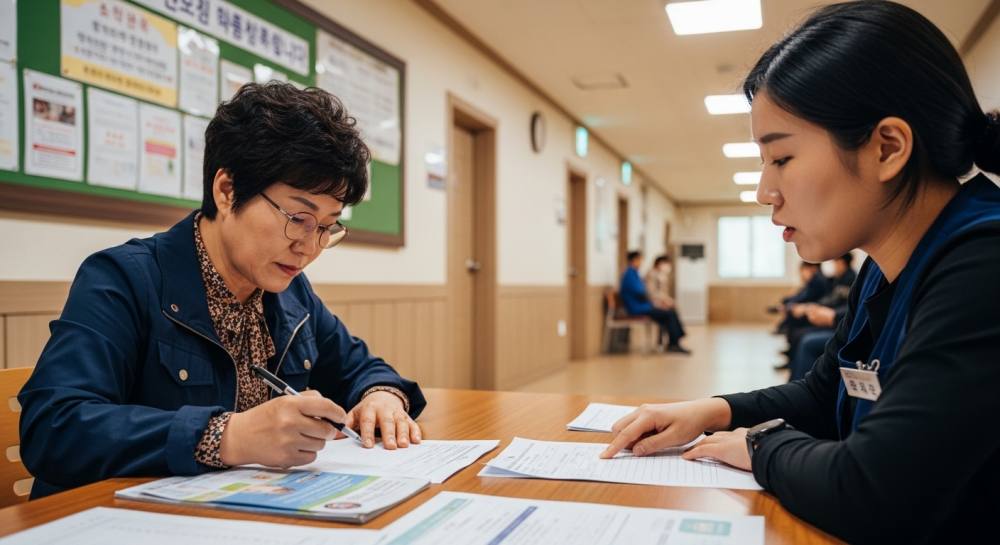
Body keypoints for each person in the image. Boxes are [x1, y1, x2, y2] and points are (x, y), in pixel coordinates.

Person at [600, 2, 1000, 543]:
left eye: (781, 159)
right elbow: (822, 394)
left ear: (888, 148)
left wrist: (759, 446)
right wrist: (713, 410)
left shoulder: (982, 263)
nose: (766, 191)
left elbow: (873, 492)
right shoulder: (883, 269)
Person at [18, 82, 426, 499]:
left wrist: (382, 397)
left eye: (327, 226)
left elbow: (360, 367)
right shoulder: (123, 277)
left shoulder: (290, 294)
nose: (310, 246)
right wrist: (229, 435)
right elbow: (54, 427)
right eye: (299, 217)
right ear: (227, 191)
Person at [619, 251, 689, 354]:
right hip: (637, 308)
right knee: (669, 314)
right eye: (640, 260)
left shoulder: (634, 273)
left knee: (669, 312)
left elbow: (644, 291)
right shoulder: (630, 274)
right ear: (634, 260)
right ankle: (674, 343)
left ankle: (674, 342)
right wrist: (658, 302)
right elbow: (642, 292)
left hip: (644, 306)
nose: (641, 262)